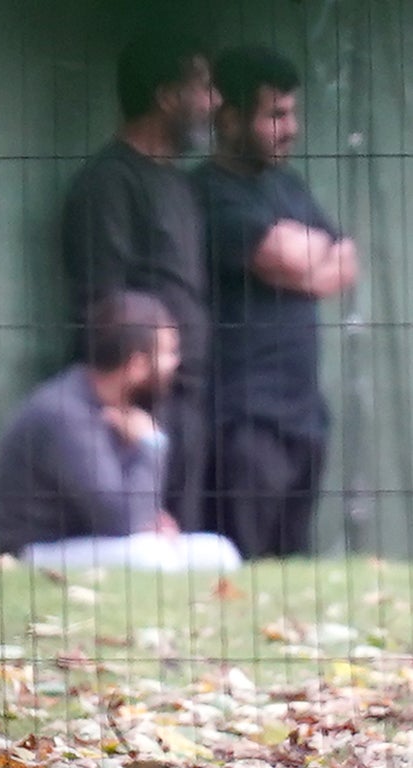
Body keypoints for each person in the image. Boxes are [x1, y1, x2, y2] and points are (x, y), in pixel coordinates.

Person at [194, 46, 358, 559]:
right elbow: (291, 255)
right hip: (245, 422)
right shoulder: (207, 191)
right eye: (275, 115)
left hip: (304, 416)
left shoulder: (288, 185)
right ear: (231, 117)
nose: (291, 128)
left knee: (291, 573)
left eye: (293, 112)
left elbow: (346, 262)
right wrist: (308, 257)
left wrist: (300, 259)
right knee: (246, 568)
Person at [61, 30, 219, 532]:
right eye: (204, 87)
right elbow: (101, 302)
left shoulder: (179, 183)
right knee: (139, 548)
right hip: (139, 406)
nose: (215, 102)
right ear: (168, 96)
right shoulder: (108, 183)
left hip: (188, 399)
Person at [0, 292, 241, 573]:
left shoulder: (117, 406)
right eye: (167, 353)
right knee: (153, 558)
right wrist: (152, 445)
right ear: (137, 364)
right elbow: (119, 520)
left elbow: (121, 508)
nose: (175, 362)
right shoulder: (65, 413)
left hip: (95, 541)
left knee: (221, 552)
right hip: (32, 550)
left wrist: (150, 518)